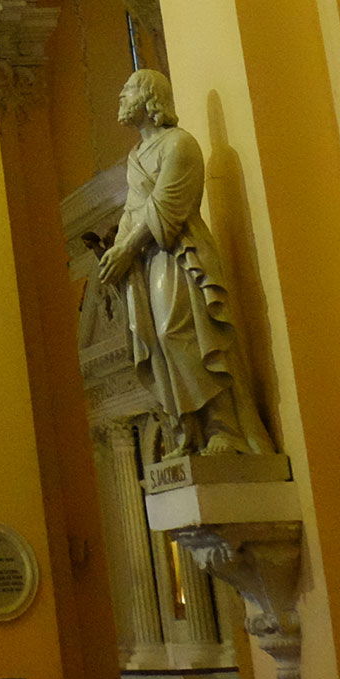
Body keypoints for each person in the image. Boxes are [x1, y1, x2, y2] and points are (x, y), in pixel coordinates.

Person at [94, 69, 276, 459]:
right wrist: (118, 250)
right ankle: (189, 432)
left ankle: (224, 427)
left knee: (179, 332)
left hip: (178, 255)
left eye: (127, 93)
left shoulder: (180, 145)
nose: (120, 101)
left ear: (149, 99)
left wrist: (127, 249)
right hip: (147, 259)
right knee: (157, 341)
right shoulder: (136, 156)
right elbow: (132, 209)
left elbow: (166, 208)